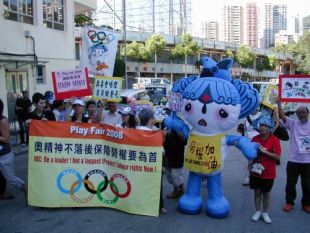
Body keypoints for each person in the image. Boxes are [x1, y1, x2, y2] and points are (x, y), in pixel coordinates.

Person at [277, 99, 310, 214]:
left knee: (307, 184)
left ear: (307, 113)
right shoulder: (293, 124)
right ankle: (289, 202)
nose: (301, 114)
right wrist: (278, 103)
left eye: (303, 112)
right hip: (293, 160)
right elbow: (282, 116)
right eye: (299, 112)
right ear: (296, 114)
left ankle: (306, 204)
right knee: (291, 183)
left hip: (307, 162)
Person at [250, 116, 281, 224]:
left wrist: (264, 151)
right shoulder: (255, 139)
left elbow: (277, 156)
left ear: (269, 127)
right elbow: (250, 153)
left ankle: (265, 213)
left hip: (268, 172)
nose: (263, 128)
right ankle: (257, 211)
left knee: (266, 193)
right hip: (255, 171)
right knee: (257, 192)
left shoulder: (274, 140)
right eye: (261, 125)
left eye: (265, 126)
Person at [137, 108, 166, 214]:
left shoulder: (136, 130)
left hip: (139, 163)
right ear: (151, 119)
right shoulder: (154, 134)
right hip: (153, 164)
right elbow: (161, 152)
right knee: (156, 185)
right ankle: (159, 206)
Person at [0, 99, 27, 202]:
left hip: (4, 155)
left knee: (11, 178)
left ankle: (26, 191)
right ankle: (2, 192)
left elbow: (6, 139)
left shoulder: (3, 120)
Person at [162, 111, 187, 199]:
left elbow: (185, 141)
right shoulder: (165, 121)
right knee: (169, 176)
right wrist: (163, 136)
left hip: (177, 154)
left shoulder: (180, 123)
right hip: (167, 154)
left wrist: (182, 136)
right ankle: (177, 189)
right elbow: (161, 137)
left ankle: (180, 189)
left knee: (175, 175)